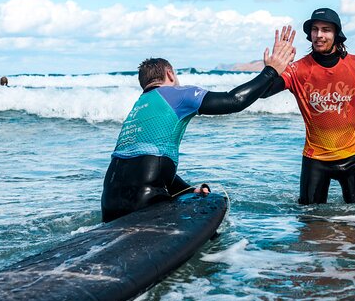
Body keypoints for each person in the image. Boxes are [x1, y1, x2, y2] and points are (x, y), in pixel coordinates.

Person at [101, 26, 297, 222]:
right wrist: (271, 72)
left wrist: (187, 190)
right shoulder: (177, 94)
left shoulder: (138, 107)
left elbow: (143, 162)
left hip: (109, 202)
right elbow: (234, 101)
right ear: (170, 74)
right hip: (145, 203)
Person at [261, 8, 355, 204]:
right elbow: (263, 92)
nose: (319, 35)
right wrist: (272, 69)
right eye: (315, 29)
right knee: (310, 223)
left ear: (337, 34)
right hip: (315, 160)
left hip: (353, 158)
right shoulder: (297, 70)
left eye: (326, 29)